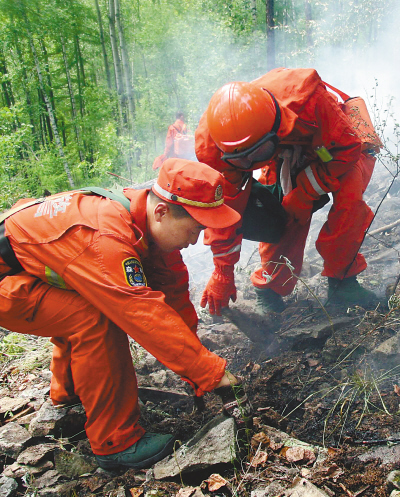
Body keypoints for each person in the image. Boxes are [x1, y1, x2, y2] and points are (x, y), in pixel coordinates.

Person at [0, 158, 252, 471]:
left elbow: (173, 298)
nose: (195, 240)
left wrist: (196, 371)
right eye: (194, 228)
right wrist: (214, 375)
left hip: (23, 269)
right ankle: (115, 443)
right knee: (95, 317)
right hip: (6, 280)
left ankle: (72, 394)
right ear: (161, 212)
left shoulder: (143, 224)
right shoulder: (106, 238)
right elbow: (142, 315)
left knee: (82, 306)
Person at [195, 67, 380, 316]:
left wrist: (304, 193)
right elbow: (223, 212)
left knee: (349, 202)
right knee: (284, 214)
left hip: (331, 145)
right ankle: (269, 288)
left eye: (257, 155)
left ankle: (343, 282)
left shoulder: (311, 101)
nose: (251, 165)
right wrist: (222, 272)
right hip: (280, 151)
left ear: (274, 128)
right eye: (243, 161)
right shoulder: (214, 146)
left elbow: (346, 150)